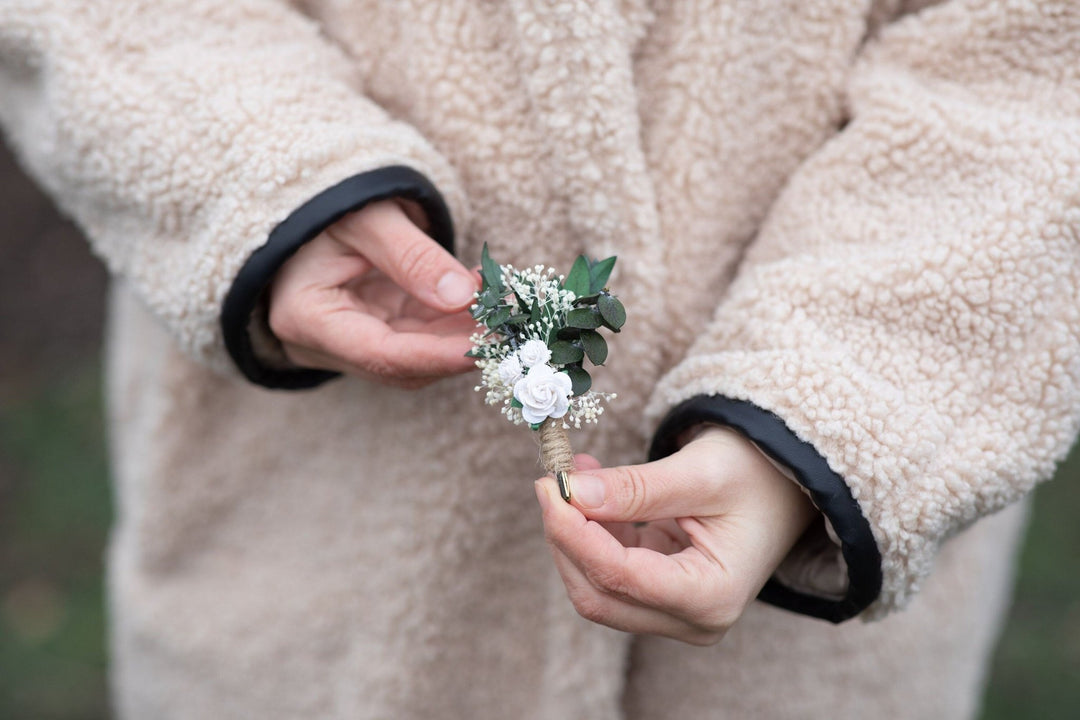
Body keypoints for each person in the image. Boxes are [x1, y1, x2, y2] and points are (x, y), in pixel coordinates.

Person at [1, 1, 1077, 717]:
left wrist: (833, 412)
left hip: (786, 668)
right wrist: (255, 172)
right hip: (309, 577)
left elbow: (1035, 78)